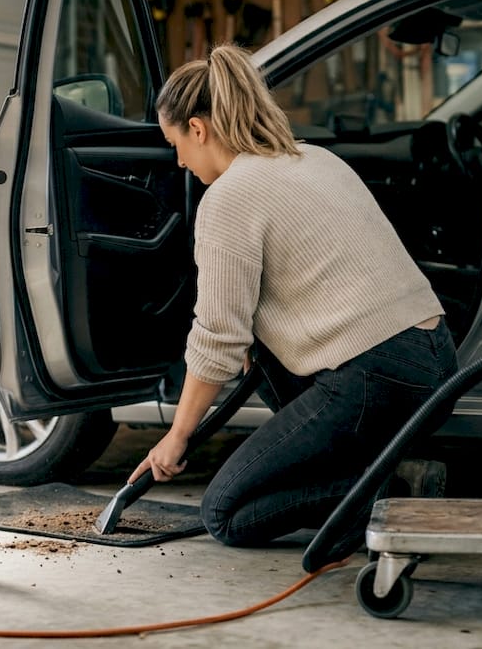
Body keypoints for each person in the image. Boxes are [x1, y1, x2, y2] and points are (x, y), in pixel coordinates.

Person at [128, 43, 458, 563]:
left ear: (198, 128)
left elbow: (216, 336)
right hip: (437, 362)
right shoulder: (314, 158)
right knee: (261, 350)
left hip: (373, 377)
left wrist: (176, 437)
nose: (179, 161)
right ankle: (376, 474)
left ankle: (392, 491)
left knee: (225, 513)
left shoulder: (229, 196)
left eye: (175, 144)